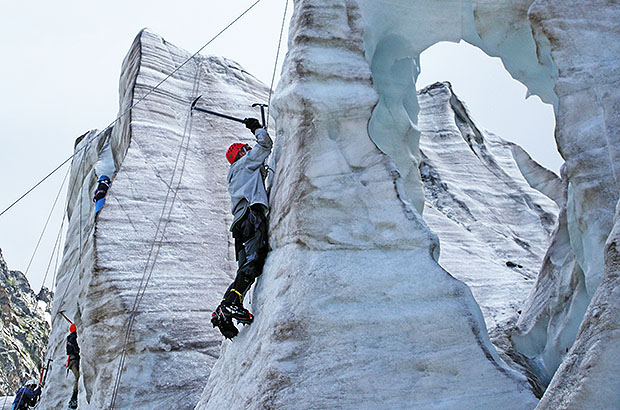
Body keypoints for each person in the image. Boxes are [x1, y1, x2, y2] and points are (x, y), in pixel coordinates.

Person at [211, 118, 272, 339]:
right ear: (240, 153)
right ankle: (232, 304)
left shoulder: (235, 174)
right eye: (245, 149)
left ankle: (223, 311)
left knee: (244, 269)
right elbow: (265, 145)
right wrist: (256, 128)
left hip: (239, 224)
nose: (249, 150)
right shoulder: (246, 163)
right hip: (251, 217)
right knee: (254, 262)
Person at [66, 323, 80, 409]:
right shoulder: (73, 337)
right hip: (74, 360)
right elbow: (76, 348)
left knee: (77, 377)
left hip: (71, 361)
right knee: (78, 377)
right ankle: (74, 398)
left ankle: (74, 398)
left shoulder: (70, 337)